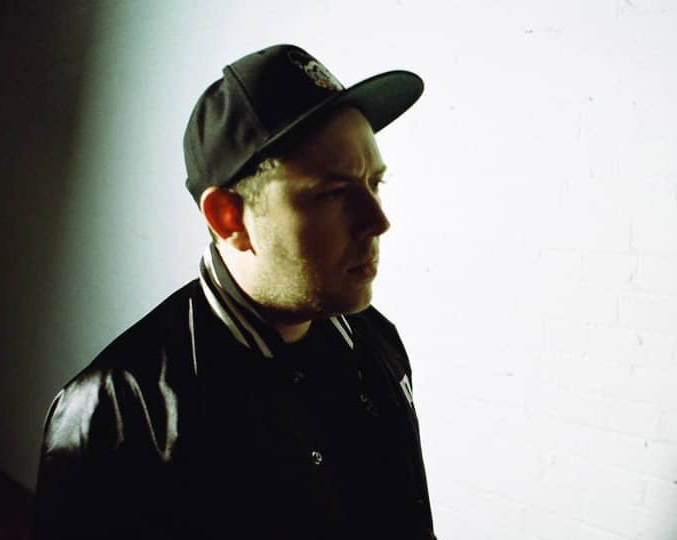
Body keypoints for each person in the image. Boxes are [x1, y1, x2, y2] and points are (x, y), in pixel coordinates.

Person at [31, 44, 435, 539]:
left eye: (375, 183)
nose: (378, 220)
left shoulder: (374, 339)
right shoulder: (115, 412)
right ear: (228, 218)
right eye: (333, 193)